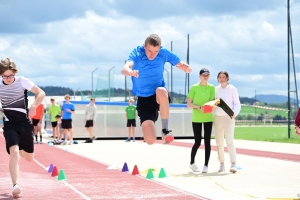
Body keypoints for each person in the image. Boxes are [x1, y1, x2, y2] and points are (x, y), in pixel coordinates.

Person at [121, 34, 192, 145]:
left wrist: (186, 68)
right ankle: (152, 121)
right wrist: (130, 72)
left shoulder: (163, 52)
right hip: (144, 98)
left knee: (161, 90)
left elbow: (182, 65)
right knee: (150, 140)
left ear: (160, 49)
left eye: (156, 51)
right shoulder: (137, 53)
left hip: (158, 96)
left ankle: (165, 131)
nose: (153, 54)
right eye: (150, 51)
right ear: (144, 46)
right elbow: (124, 68)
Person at [0, 58, 45, 198]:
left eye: (11, 75)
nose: (8, 78)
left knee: (29, 158)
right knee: (14, 154)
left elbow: (41, 93)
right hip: (9, 124)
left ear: (15, 73)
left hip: (25, 123)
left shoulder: (22, 81)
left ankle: (20, 148)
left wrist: (34, 106)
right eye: (5, 76)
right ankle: (16, 185)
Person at [187, 68, 215, 173]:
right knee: (197, 142)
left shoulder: (212, 88)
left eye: (207, 75)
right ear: (199, 76)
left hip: (208, 117)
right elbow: (188, 104)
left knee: (207, 141)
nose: (205, 76)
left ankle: (206, 165)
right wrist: (197, 107)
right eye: (204, 75)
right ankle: (192, 163)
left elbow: (212, 102)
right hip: (197, 118)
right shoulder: (194, 87)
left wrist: (207, 107)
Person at [214, 71, 241, 173]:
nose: (221, 79)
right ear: (218, 78)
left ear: (227, 78)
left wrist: (234, 113)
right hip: (217, 118)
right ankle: (221, 164)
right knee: (219, 142)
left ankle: (233, 164)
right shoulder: (215, 89)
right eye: (220, 77)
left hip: (228, 118)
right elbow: (213, 102)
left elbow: (237, 104)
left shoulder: (232, 89)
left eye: (223, 77)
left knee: (229, 141)